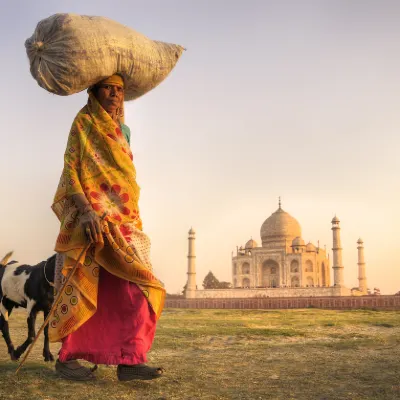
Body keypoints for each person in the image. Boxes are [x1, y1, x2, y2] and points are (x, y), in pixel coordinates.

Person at [50, 74, 166, 381]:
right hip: (89, 219)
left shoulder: (124, 131)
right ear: (94, 91)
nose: (114, 95)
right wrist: (88, 212)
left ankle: (130, 361)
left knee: (138, 287)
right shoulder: (83, 124)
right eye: (108, 88)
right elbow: (72, 172)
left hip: (124, 220)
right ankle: (67, 359)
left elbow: (122, 175)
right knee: (81, 284)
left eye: (119, 90)